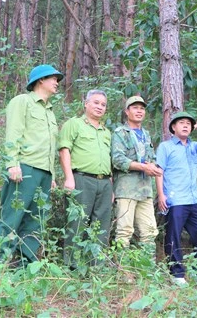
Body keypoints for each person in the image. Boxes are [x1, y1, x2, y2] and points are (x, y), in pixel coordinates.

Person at [0, 64, 63, 268]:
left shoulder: (50, 112)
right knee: (12, 215)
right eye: (53, 78)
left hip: (44, 173)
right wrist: (12, 164)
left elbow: (49, 146)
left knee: (36, 220)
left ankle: (24, 266)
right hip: (25, 168)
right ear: (40, 80)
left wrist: (51, 176)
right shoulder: (22, 102)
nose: (56, 83)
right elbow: (13, 134)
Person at [155, 111, 197, 285]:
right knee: (173, 236)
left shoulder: (193, 147)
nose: (186, 125)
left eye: (188, 123)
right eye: (181, 123)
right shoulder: (166, 147)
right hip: (175, 199)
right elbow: (159, 171)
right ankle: (177, 274)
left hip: (193, 200)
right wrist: (161, 195)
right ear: (173, 127)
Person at [58, 90, 112, 267]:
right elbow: (64, 150)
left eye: (103, 104)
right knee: (77, 222)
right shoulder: (74, 124)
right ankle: (72, 265)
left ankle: (96, 265)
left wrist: (110, 186)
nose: (99, 107)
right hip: (82, 179)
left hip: (104, 182)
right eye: (96, 103)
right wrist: (69, 178)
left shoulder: (106, 132)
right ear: (86, 104)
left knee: (101, 225)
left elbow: (109, 159)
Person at [111, 96, 162, 252]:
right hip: (126, 189)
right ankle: (124, 272)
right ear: (127, 112)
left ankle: (147, 271)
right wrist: (142, 167)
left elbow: (151, 158)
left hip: (145, 190)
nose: (139, 111)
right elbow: (118, 160)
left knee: (150, 231)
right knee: (124, 231)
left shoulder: (145, 134)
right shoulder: (120, 133)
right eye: (135, 108)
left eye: (142, 108)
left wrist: (153, 167)